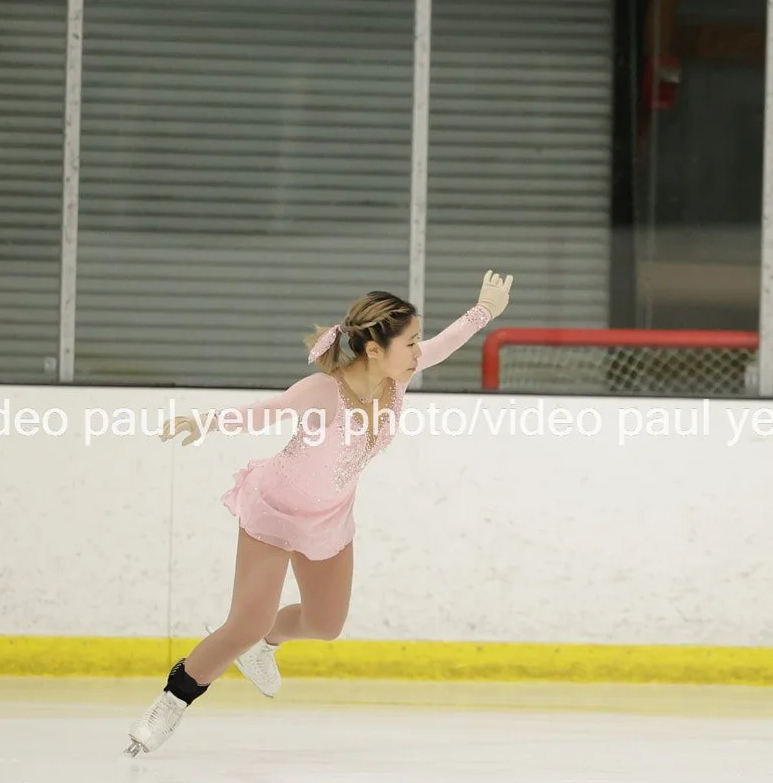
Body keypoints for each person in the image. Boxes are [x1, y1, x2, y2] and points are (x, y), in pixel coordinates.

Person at [125, 272, 513, 756]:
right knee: (244, 624)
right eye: (412, 342)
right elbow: (269, 410)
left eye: (418, 340)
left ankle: (265, 643)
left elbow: (447, 343)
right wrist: (207, 422)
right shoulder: (324, 391)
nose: (420, 350)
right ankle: (171, 702)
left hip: (329, 518)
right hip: (274, 512)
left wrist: (484, 310)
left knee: (325, 624)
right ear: (375, 349)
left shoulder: (398, 378)